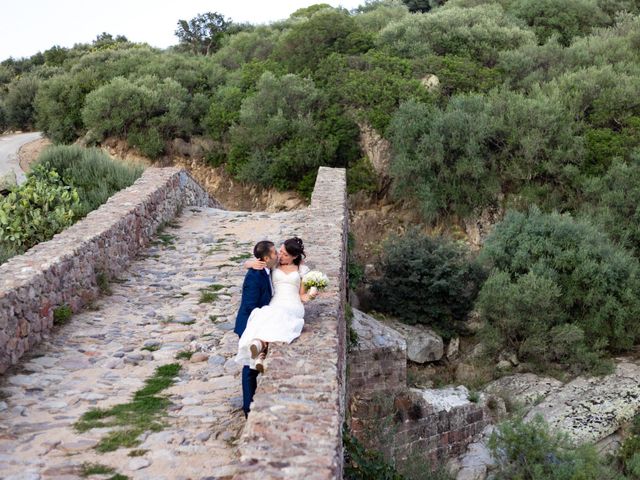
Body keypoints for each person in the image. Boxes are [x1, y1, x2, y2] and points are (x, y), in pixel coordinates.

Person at [234, 237, 316, 376]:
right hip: (276, 302)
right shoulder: (275, 264)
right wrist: (248, 263)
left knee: (277, 317)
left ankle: (260, 346)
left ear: (294, 256)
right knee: (269, 316)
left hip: (293, 304)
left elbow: (302, 295)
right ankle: (260, 353)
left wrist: (311, 295)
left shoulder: (301, 270)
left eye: (285, 254)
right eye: (280, 251)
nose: (280, 255)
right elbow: (260, 261)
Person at [233, 240, 278, 418]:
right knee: (249, 367)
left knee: (257, 365)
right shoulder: (254, 276)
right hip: (250, 325)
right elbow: (250, 306)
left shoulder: (268, 268)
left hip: (260, 323)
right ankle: (248, 408)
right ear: (266, 258)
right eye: (275, 253)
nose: (278, 255)